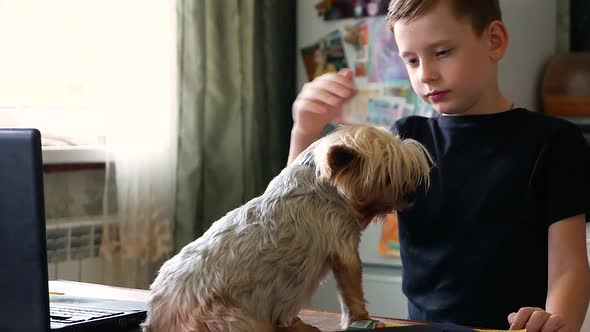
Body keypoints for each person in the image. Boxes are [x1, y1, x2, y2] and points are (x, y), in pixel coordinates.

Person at [287, 0, 590, 331]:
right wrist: (304, 131)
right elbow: (308, 223)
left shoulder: (555, 142)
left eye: (442, 52)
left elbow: (569, 269)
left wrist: (557, 324)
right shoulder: (406, 140)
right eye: (411, 60)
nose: (425, 74)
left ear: (494, 40)